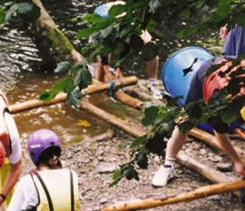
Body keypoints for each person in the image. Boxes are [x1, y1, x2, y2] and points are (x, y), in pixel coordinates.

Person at [152, 56, 245, 187]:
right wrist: (237, 161)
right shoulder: (222, 105)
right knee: (185, 122)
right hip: (206, 75)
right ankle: (168, 165)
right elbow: (220, 134)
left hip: (233, 66)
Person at [93, 1, 162, 100]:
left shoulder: (129, 21)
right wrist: (106, 69)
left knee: (150, 44)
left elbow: (127, 44)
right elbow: (103, 49)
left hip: (123, 22)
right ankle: (98, 89)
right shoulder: (104, 24)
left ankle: (153, 83)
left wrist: (120, 67)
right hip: (101, 30)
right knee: (102, 69)